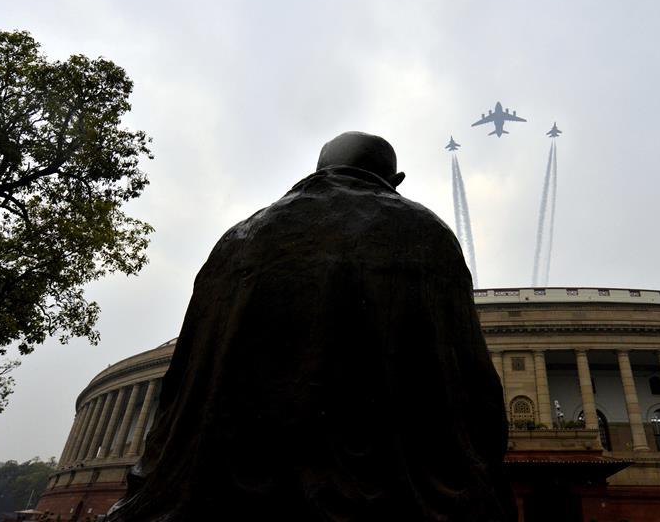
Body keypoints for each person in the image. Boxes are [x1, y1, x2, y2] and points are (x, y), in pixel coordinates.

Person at [108, 132, 515, 521]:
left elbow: (181, 382)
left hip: (224, 485)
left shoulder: (238, 237)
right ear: (396, 181)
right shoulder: (429, 233)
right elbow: (473, 381)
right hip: (388, 486)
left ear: (320, 167)